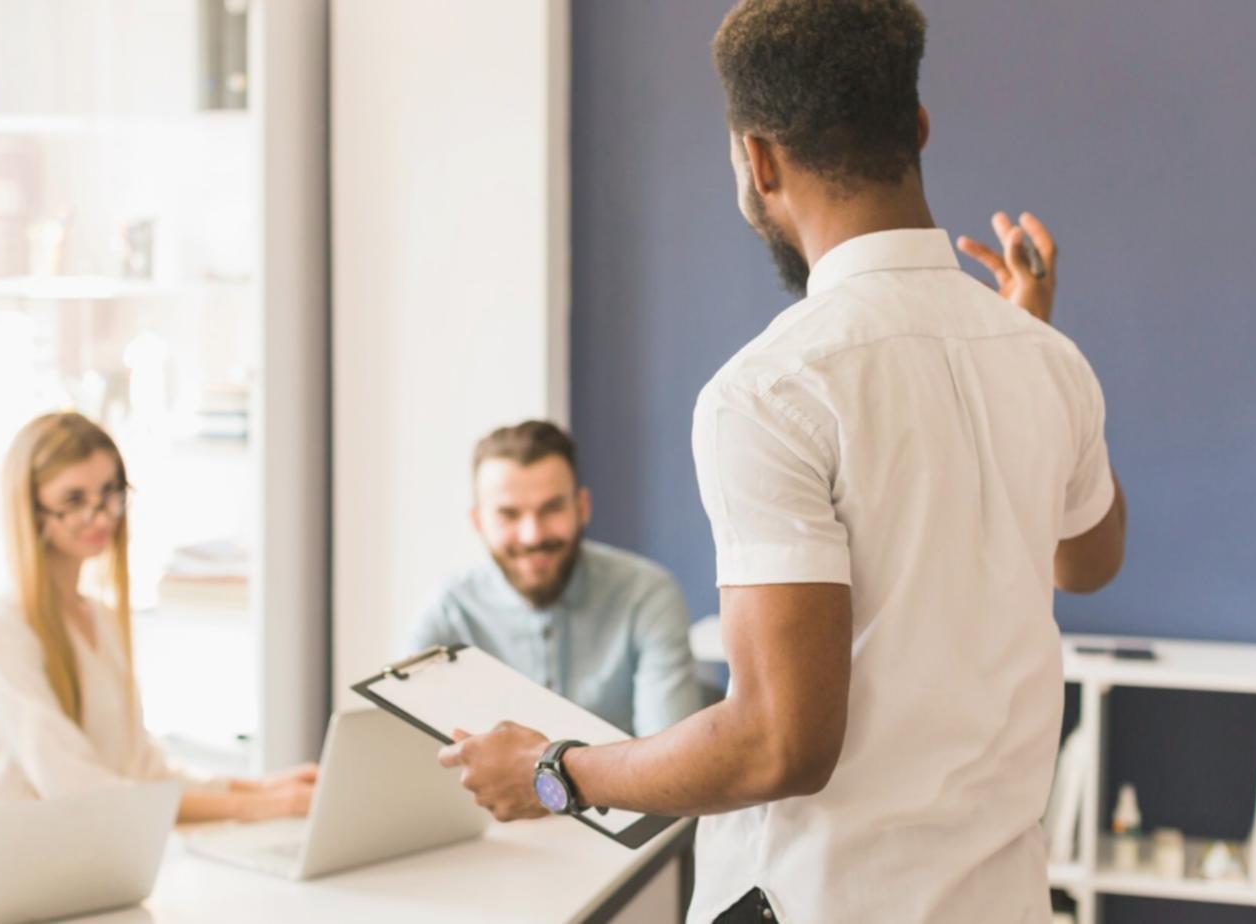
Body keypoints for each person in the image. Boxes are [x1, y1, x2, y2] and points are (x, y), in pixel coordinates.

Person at [437, 3, 1127, 922]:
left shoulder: (767, 391)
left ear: (758, 160)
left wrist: (555, 773)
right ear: (915, 130)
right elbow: (1086, 561)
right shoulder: (1046, 358)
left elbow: (777, 744)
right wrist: (1018, 345)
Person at [0, 411, 317, 822]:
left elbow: (142, 770)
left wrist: (261, 787)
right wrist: (257, 807)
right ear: (32, 509)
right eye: (74, 500)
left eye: (109, 492)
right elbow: (75, 788)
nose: (103, 516)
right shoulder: (4, 629)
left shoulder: (101, 619)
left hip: (92, 854)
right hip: (16, 865)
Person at [408, 420, 700, 736]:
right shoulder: (449, 609)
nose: (533, 535)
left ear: (582, 507)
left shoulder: (647, 595)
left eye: (552, 508)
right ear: (479, 522)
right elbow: (407, 740)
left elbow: (670, 756)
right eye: (509, 514)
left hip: (624, 789)